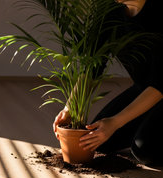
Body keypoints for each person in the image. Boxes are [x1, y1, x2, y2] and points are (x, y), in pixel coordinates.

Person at [53, 0, 163, 165]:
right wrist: (69, 108)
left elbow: (160, 82)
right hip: (143, 88)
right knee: (99, 140)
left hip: (160, 87)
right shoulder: (110, 11)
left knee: (146, 151)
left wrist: (116, 122)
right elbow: (93, 67)